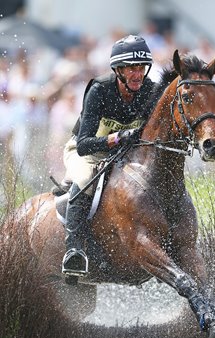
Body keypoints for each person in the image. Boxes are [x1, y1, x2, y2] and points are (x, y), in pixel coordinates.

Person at [61, 35, 160, 279]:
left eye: (141, 68)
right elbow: (84, 145)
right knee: (85, 180)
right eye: (130, 68)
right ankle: (73, 249)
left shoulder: (151, 91)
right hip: (87, 152)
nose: (137, 74)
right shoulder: (99, 90)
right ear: (118, 70)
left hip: (125, 155)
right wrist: (116, 138)